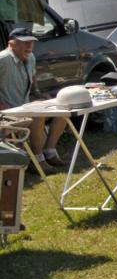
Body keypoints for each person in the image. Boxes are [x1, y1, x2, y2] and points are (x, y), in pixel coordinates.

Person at [0, 27, 64, 172]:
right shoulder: (3, 59)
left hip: (22, 108)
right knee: (37, 114)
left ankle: (50, 152)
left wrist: (38, 93)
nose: (29, 46)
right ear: (12, 43)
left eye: (32, 42)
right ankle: (38, 160)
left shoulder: (31, 58)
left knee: (64, 109)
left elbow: (33, 76)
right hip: (6, 114)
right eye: (25, 42)